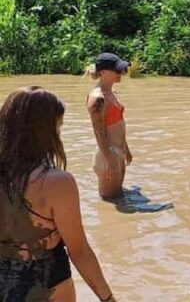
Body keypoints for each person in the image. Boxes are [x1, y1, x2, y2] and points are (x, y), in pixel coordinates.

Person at [0, 87, 115, 302]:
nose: (59, 135)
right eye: (58, 128)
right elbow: (79, 251)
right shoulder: (56, 183)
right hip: (47, 285)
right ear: (44, 133)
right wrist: (108, 298)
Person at [86, 53, 132, 199]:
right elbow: (98, 132)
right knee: (110, 201)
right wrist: (108, 157)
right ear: (103, 72)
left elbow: (119, 125)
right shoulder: (97, 99)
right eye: (117, 70)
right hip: (107, 153)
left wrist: (126, 149)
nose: (121, 73)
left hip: (117, 151)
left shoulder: (112, 93)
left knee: (119, 197)